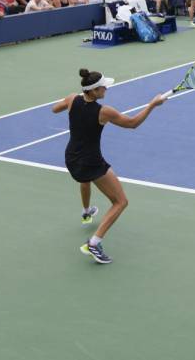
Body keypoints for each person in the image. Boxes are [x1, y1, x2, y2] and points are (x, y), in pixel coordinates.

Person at [51, 69, 170, 264]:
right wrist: (152, 105)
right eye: (103, 86)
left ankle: (87, 210)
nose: (107, 88)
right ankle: (94, 243)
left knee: (85, 180)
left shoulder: (73, 98)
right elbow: (132, 124)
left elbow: (55, 109)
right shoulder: (103, 112)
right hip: (91, 162)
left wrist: (73, 104)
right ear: (95, 91)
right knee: (121, 201)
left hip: (71, 159)